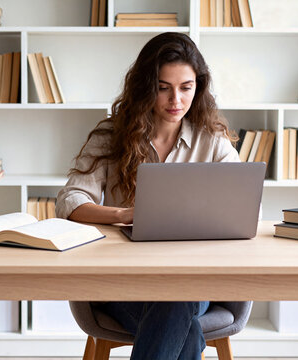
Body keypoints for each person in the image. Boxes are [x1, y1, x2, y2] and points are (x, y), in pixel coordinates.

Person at [55, 32, 240, 360]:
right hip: (122, 281)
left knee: (180, 296)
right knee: (187, 329)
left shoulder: (212, 141)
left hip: (194, 278)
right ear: (145, 87)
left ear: (198, 86)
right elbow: (69, 201)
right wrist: (123, 215)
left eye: (186, 88)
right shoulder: (111, 136)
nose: (176, 101)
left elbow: (241, 206)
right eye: (163, 88)